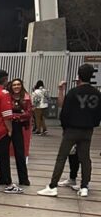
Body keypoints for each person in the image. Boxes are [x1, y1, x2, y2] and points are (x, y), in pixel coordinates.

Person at [39, 63, 101, 198]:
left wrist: (65, 126)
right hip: (88, 130)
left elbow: (64, 110)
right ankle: (84, 186)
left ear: (78, 75)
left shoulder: (74, 92)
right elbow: (98, 113)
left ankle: (52, 186)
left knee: (62, 157)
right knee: (85, 158)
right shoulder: (97, 93)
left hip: (72, 129)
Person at [8, 78, 32, 186]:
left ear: (21, 86)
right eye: (14, 85)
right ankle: (4, 178)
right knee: (3, 154)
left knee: (20, 153)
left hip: (18, 127)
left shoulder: (26, 98)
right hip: (7, 126)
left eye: (18, 84)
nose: (16, 87)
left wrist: (15, 116)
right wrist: (18, 115)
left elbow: (28, 114)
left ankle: (23, 179)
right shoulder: (7, 97)